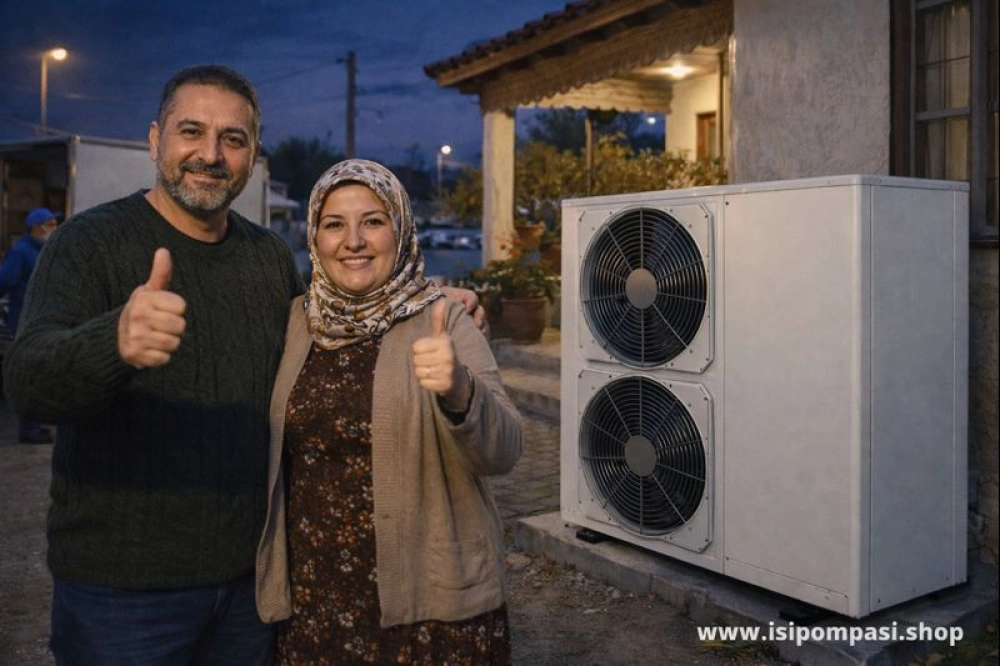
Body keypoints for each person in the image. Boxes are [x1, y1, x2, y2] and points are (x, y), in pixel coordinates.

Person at [2, 65, 483, 665]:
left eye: (232, 139)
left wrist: (429, 304)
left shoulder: (267, 258)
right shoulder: (88, 243)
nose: (210, 154)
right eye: (191, 132)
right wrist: (113, 342)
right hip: (122, 598)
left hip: (249, 588)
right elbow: (27, 383)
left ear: (253, 155)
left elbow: (342, 322)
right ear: (155, 140)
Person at [255, 159, 522, 665]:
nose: (353, 241)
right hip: (316, 600)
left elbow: (504, 452)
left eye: (373, 221)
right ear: (314, 237)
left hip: (429, 604)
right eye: (334, 224)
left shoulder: (444, 317)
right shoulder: (295, 322)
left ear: (400, 230)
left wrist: (460, 390)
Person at [0, 206, 59, 443]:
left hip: (39, 321)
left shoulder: (41, 250)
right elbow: (5, 280)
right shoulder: (22, 252)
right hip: (24, 321)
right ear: (34, 227)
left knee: (37, 373)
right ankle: (29, 429)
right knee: (29, 374)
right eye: (49, 225)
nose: (53, 229)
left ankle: (35, 425)